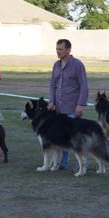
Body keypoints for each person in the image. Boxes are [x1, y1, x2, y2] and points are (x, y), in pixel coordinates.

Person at [48, 39, 89, 170]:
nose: (58, 51)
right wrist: (51, 101)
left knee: (76, 138)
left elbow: (84, 86)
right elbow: (52, 85)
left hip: (72, 107)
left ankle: (82, 165)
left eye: (60, 49)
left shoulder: (77, 65)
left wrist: (80, 104)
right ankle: (62, 164)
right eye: (56, 49)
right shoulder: (56, 65)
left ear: (68, 50)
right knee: (61, 137)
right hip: (58, 109)